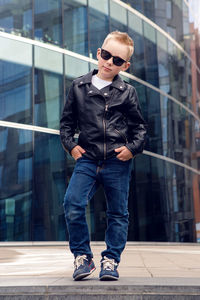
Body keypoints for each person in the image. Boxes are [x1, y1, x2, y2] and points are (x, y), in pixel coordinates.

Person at [60, 31, 147, 281]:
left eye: (117, 60)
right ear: (99, 53)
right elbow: (66, 124)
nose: (110, 62)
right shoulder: (78, 86)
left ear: (125, 65)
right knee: (72, 203)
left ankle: (110, 260)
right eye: (106, 55)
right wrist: (71, 145)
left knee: (118, 213)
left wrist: (132, 148)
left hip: (117, 162)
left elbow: (140, 127)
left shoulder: (127, 92)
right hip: (87, 159)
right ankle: (83, 258)